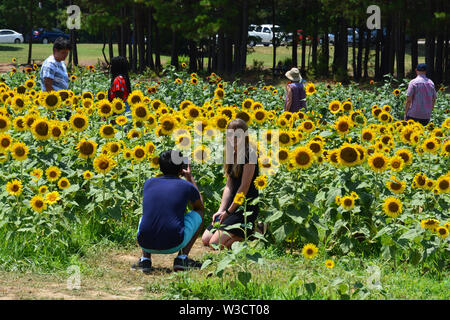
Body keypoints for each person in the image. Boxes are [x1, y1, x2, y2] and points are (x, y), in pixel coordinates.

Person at [131, 150, 204, 273]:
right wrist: (190, 178)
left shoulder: (149, 183)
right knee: (199, 213)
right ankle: (182, 258)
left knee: (147, 216)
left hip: (145, 242)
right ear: (182, 168)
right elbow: (200, 206)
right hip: (174, 242)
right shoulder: (186, 186)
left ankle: (145, 260)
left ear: (160, 167)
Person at [201, 119, 260, 249]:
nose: (233, 138)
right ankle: (241, 234)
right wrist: (221, 210)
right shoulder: (231, 153)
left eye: (237, 135)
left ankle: (252, 233)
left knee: (214, 244)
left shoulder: (250, 155)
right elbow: (229, 186)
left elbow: (243, 188)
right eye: (230, 134)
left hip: (244, 207)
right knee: (205, 239)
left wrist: (228, 212)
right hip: (230, 206)